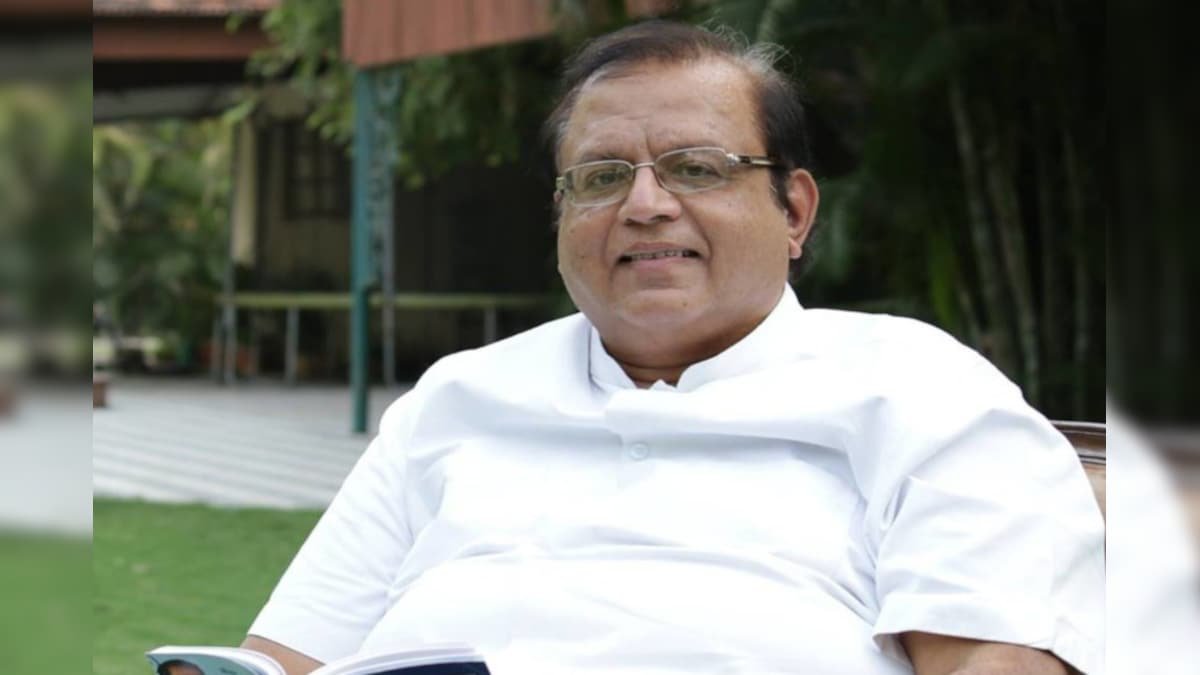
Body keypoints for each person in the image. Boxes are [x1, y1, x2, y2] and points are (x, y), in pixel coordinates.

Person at [242, 21, 1104, 675]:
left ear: (794, 211)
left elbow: (993, 657)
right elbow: (284, 658)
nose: (645, 205)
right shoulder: (455, 398)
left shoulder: (921, 387)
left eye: (696, 167)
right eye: (602, 177)